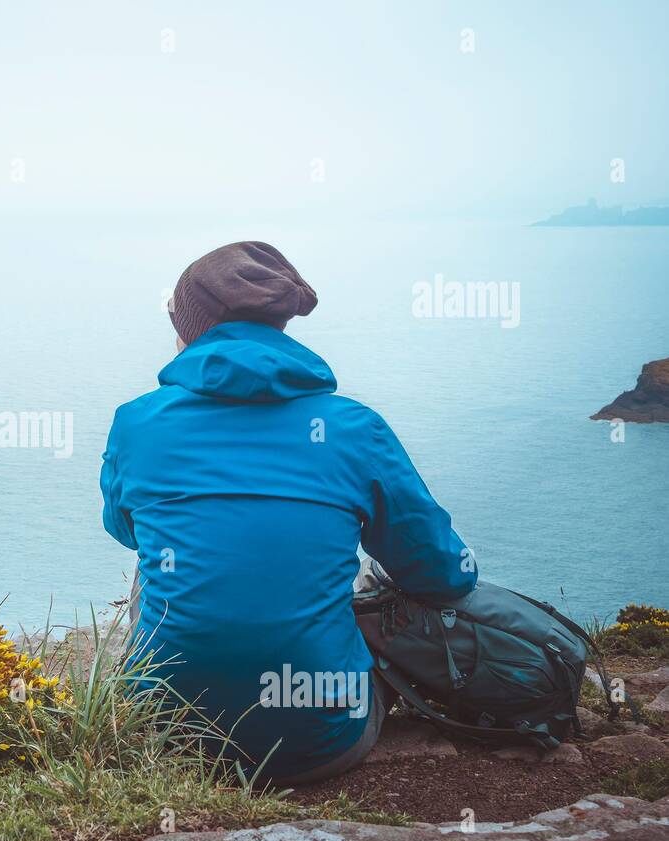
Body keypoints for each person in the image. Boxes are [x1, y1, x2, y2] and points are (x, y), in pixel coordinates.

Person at [99, 241, 477, 784]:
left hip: (164, 734)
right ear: (281, 325)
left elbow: (124, 528)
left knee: (159, 560)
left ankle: (173, 693)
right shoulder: (352, 427)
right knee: (352, 570)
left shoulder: (136, 423)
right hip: (320, 740)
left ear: (189, 329)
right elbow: (443, 573)